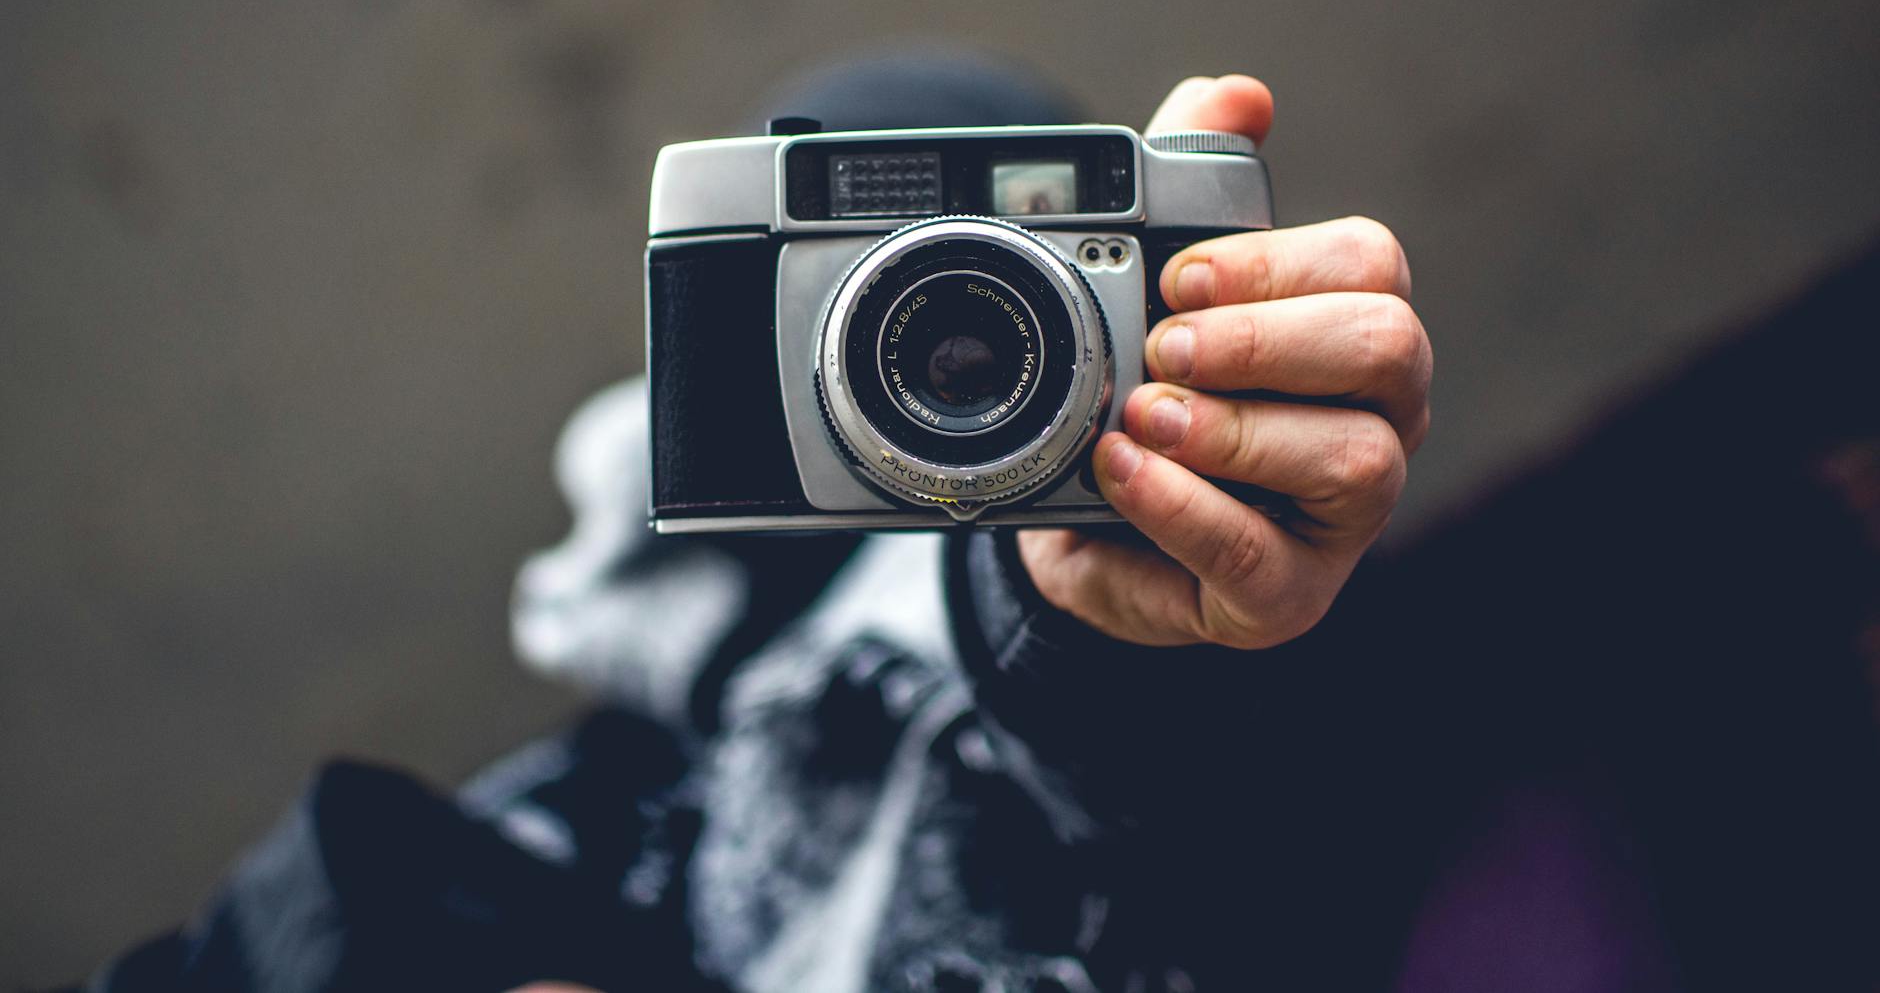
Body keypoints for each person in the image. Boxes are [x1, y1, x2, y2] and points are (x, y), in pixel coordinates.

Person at [74, 53, 1880, 991]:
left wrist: (1087, 609)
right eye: (848, 268)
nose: (946, 337)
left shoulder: (1151, 652)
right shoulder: (527, 826)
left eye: (1022, 267)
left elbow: (1130, 751)